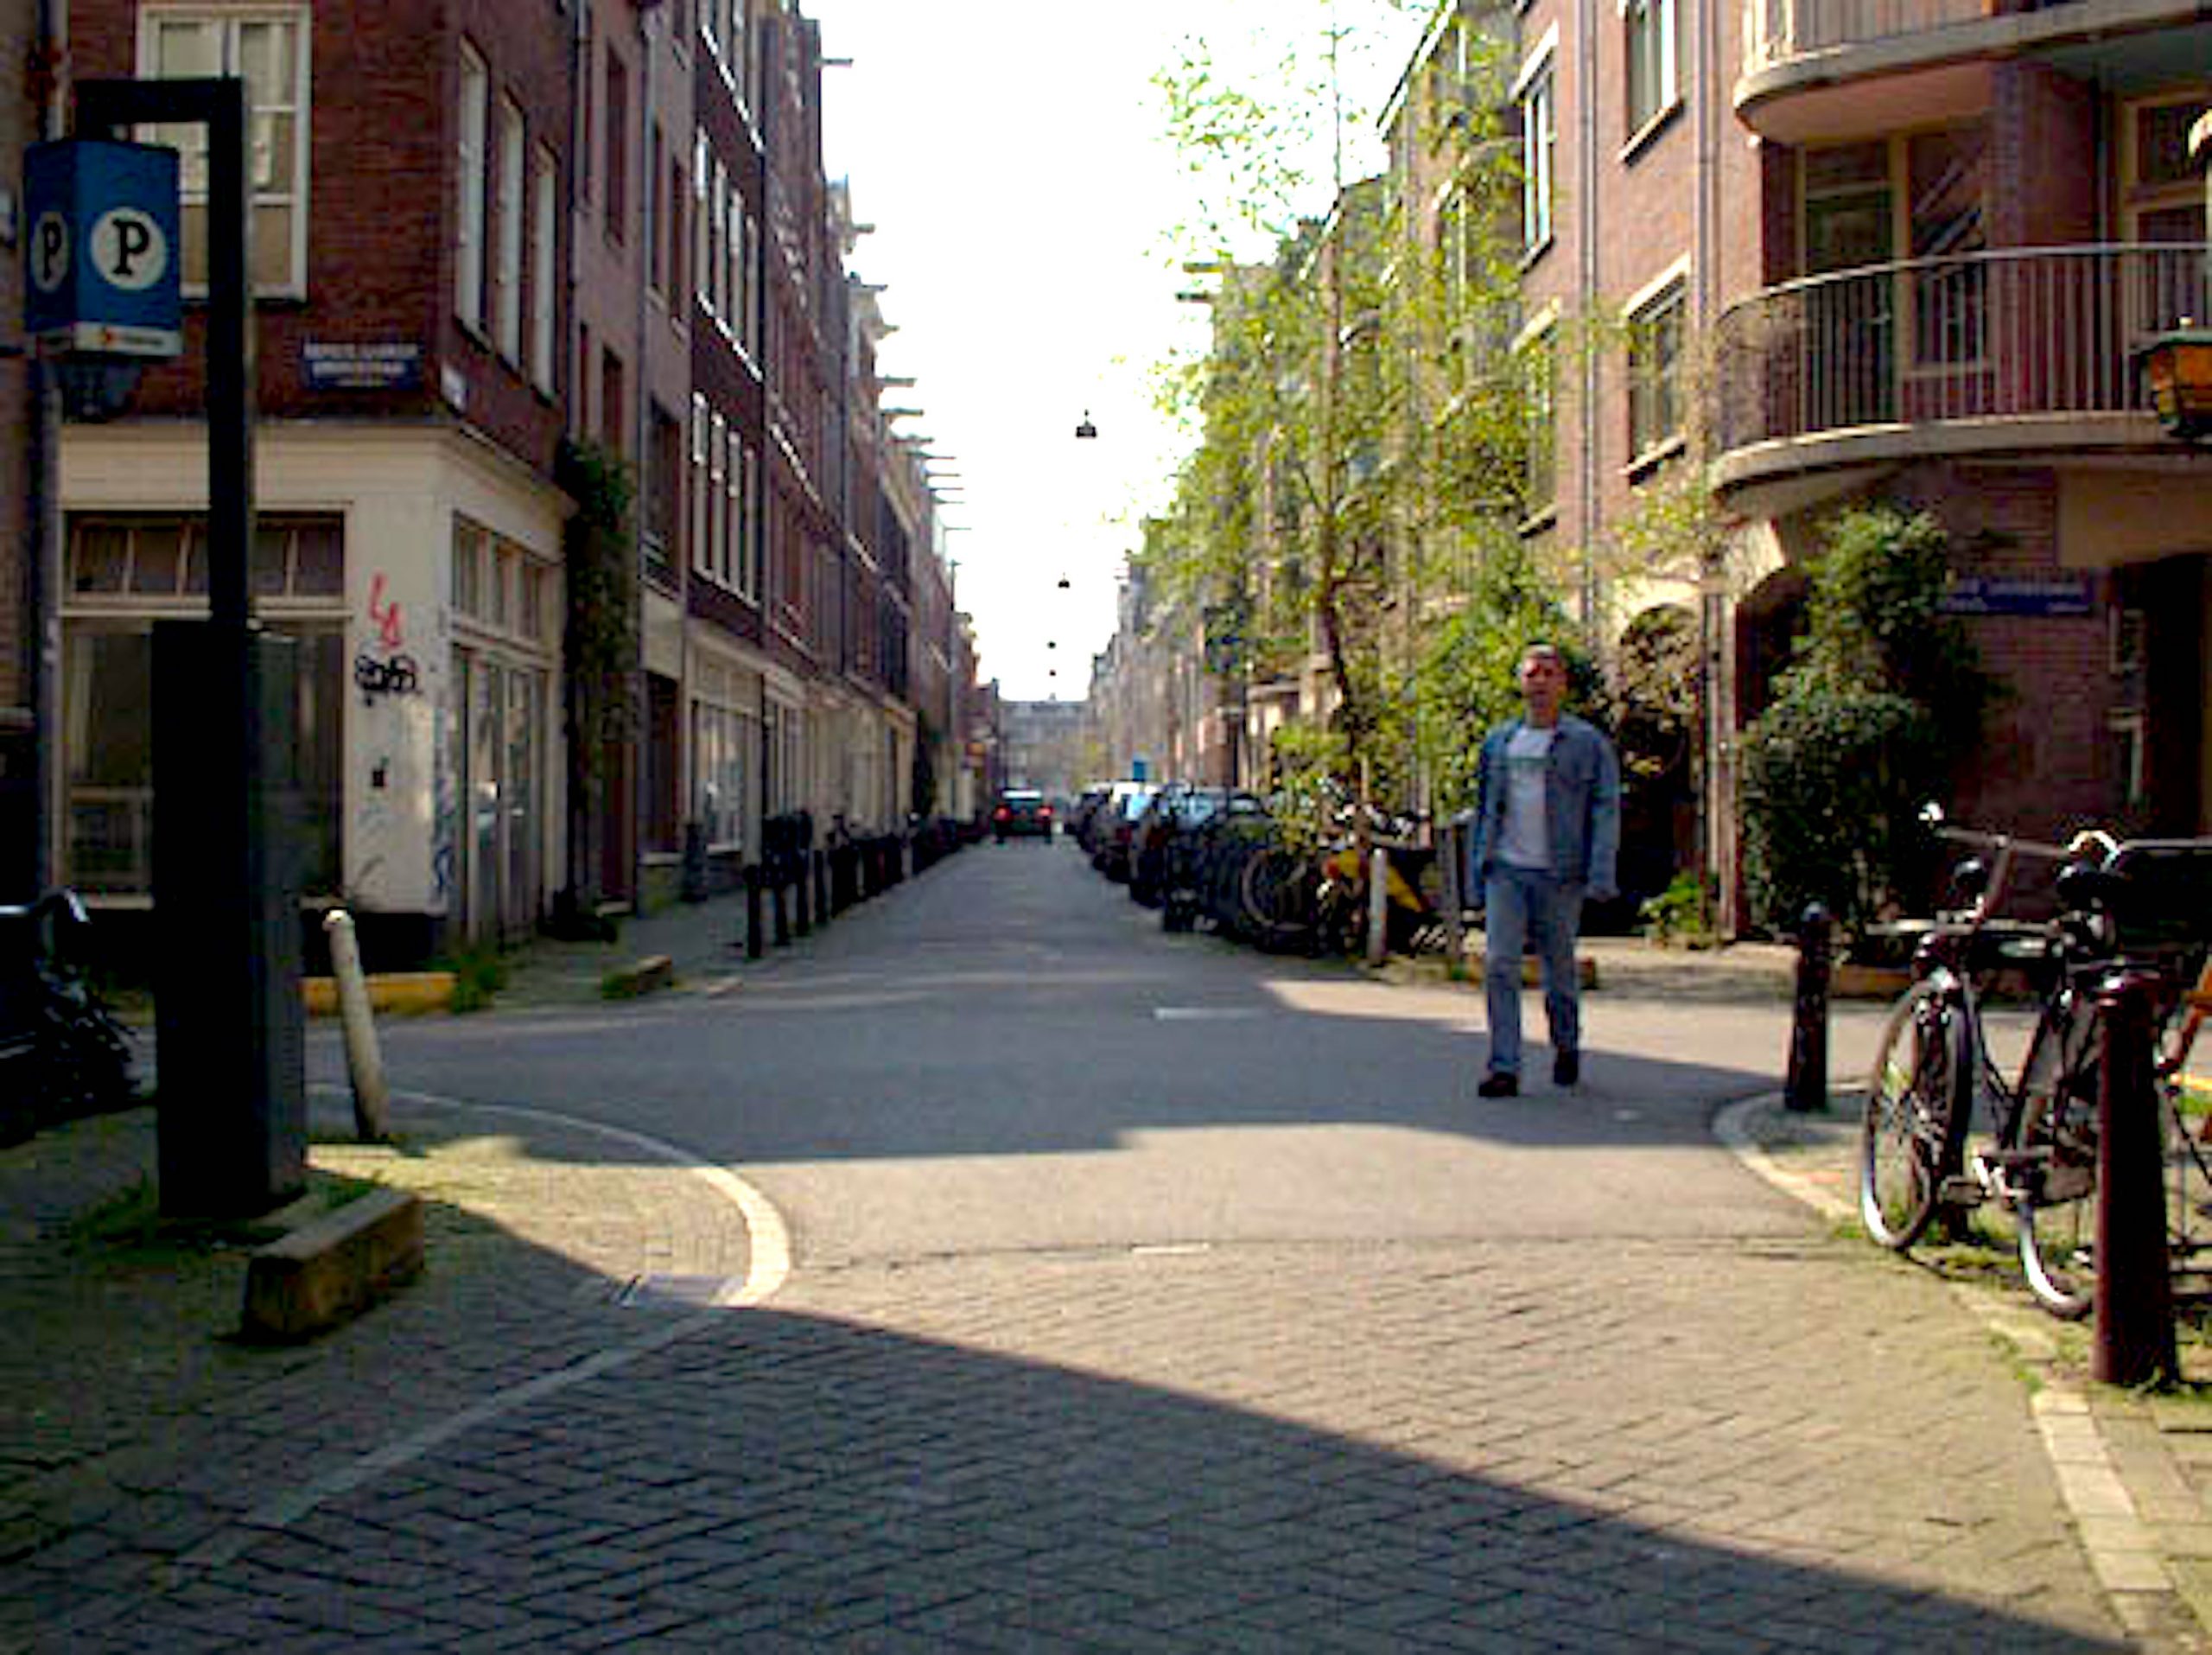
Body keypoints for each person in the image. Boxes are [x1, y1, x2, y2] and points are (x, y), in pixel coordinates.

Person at [1469, 643, 1620, 1098]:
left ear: (1563, 685)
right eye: (1532, 673)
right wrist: (1480, 867)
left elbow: (1605, 808)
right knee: (1500, 964)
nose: (1539, 682)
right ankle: (1504, 1066)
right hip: (1507, 870)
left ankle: (1566, 1044)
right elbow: (1484, 807)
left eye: (1548, 674)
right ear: (1520, 682)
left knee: (1559, 970)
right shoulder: (1500, 743)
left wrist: (1600, 872)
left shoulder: (1587, 744)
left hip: (1560, 872)